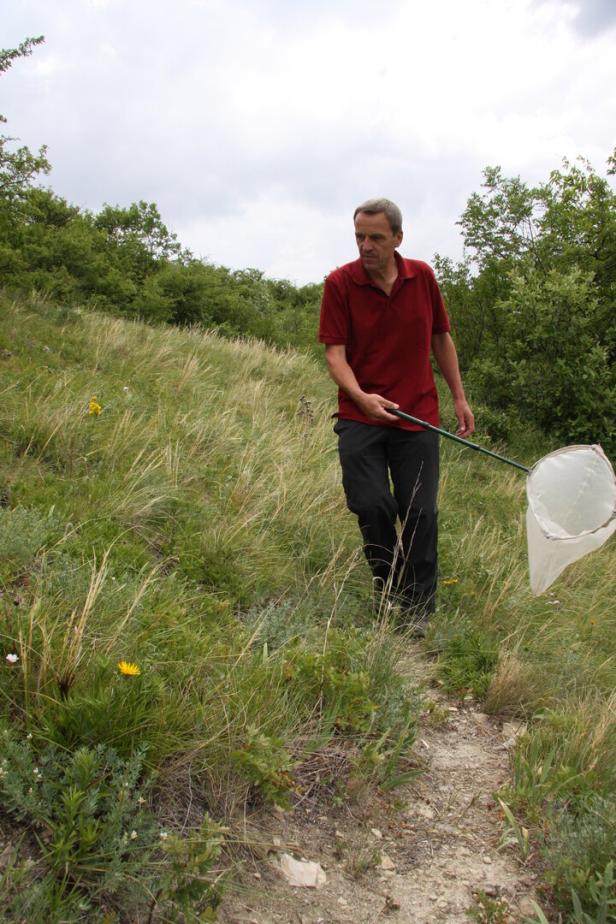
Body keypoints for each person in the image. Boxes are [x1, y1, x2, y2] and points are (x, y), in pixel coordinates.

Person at [319, 198, 474, 634]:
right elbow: (335, 356)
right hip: (360, 416)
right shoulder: (339, 284)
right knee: (372, 504)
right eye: (359, 237)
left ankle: (419, 610)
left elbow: (441, 339)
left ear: (398, 239)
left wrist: (459, 398)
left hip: (417, 416)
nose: (365, 246)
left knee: (421, 512)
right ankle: (388, 591)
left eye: (375, 238)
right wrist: (361, 396)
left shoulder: (422, 277)